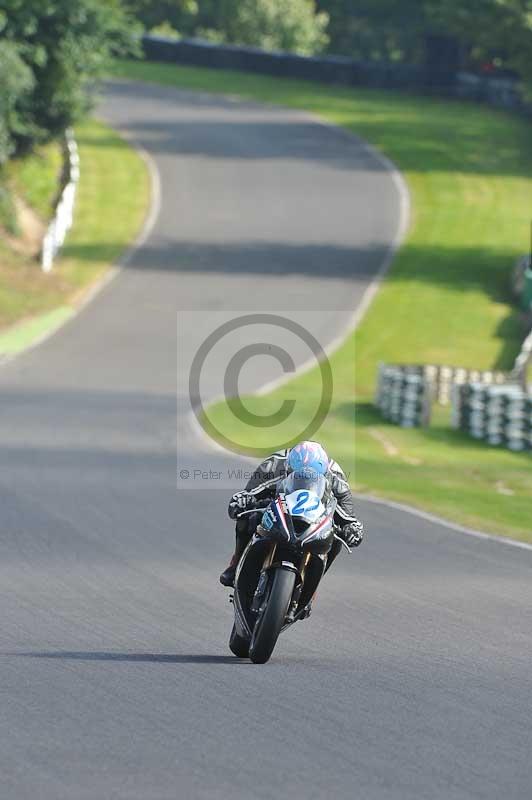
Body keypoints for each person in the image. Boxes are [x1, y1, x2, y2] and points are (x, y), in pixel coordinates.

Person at [220, 441, 364, 587]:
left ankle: (311, 585)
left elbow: (347, 516)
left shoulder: (337, 478)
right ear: (288, 468)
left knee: (335, 537)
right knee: (250, 517)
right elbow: (249, 493)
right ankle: (236, 563)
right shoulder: (274, 465)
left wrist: (352, 528)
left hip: (314, 518)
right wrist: (243, 501)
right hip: (279, 508)